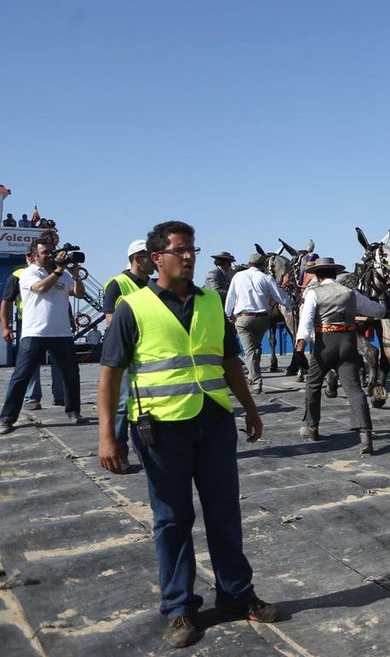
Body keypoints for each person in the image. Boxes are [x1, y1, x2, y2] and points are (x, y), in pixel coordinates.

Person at [96, 220, 278, 649]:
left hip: (214, 421)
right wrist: (108, 436)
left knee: (224, 512)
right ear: (156, 257)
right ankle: (179, 608)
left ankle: (237, 594)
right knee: (172, 519)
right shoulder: (133, 307)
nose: (189, 256)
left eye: (192, 249)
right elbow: (110, 375)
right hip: (159, 429)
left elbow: (231, 361)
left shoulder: (214, 302)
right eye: (180, 250)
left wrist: (250, 409)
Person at [295, 256, 387, 454]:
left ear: (317, 275)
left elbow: (306, 322)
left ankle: (312, 428)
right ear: (335, 274)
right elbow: (376, 310)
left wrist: (300, 348)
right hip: (348, 343)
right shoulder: (350, 292)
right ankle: (365, 435)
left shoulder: (313, 293)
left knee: (313, 385)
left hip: (324, 344)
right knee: (354, 388)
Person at [0, 239, 88, 434]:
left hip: (62, 333)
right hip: (35, 333)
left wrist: (76, 276)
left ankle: (74, 411)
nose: (50, 254)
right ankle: (7, 418)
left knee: (71, 375)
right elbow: (41, 288)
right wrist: (58, 271)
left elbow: (79, 294)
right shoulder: (30, 273)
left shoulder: (63, 275)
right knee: (21, 376)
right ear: (35, 256)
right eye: (45, 252)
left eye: (51, 251)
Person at [102, 239, 156, 468]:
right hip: (126, 355)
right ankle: (120, 453)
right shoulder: (117, 284)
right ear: (137, 258)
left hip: (150, 354)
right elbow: (111, 320)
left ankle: (148, 453)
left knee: (149, 405)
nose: (155, 260)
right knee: (123, 404)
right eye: (149, 256)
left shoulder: (154, 285)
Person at [2, 250, 65, 409]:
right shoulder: (20, 275)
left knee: (59, 362)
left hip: (54, 325)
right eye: (30, 254)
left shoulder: (52, 273)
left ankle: (60, 395)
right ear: (29, 256)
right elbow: (7, 301)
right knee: (30, 363)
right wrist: (6, 326)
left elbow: (61, 298)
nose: (31, 257)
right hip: (30, 325)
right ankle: (32, 398)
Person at [225, 253, 289, 394]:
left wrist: (228, 314)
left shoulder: (238, 276)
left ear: (249, 264)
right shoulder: (266, 277)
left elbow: (231, 297)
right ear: (263, 266)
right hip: (262, 319)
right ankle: (252, 375)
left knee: (249, 351)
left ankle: (256, 382)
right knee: (256, 348)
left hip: (243, 319)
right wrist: (290, 305)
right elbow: (279, 297)